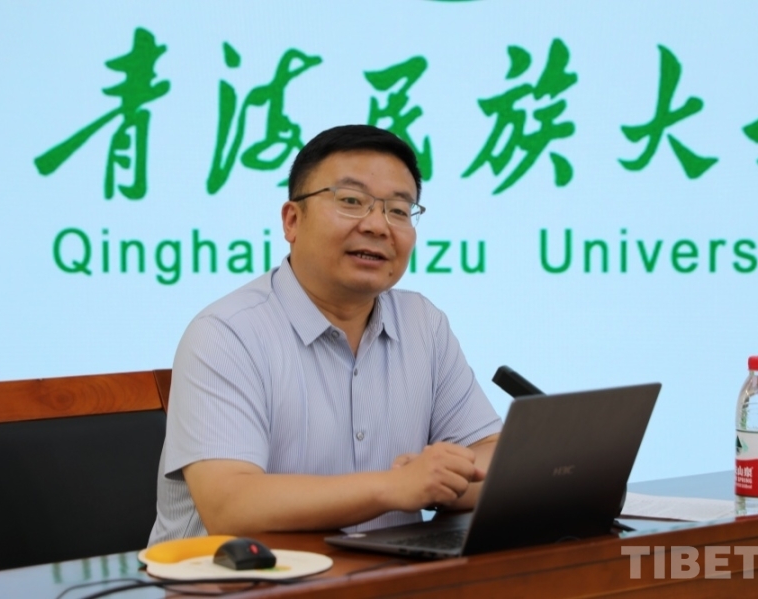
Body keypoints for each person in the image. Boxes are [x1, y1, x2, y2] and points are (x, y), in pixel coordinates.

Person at [149, 124, 502, 544]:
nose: (378, 226)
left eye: (398, 210)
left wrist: (443, 478)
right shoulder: (227, 333)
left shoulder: (422, 323)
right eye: (351, 201)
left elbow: (492, 453)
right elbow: (231, 507)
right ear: (292, 220)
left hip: (384, 574)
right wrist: (396, 487)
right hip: (238, 577)